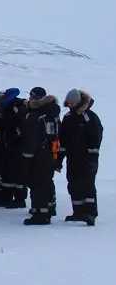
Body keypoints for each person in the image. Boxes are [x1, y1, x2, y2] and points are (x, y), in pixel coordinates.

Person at [58, 89, 103, 225]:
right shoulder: (67, 118)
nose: (70, 105)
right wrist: (60, 158)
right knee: (73, 183)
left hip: (86, 157)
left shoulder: (89, 117)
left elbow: (96, 138)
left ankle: (90, 213)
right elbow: (63, 139)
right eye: (69, 103)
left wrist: (93, 158)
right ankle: (78, 212)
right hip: (73, 157)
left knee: (87, 184)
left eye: (73, 103)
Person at [20, 87, 61, 225]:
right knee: (46, 181)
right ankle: (48, 208)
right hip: (50, 151)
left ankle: (40, 213)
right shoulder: (53, 114)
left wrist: (26, 156)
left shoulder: (36, 114)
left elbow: (30, 137)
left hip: (38, 153)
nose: (30, 98)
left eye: (32, 96)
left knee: (37, 183)